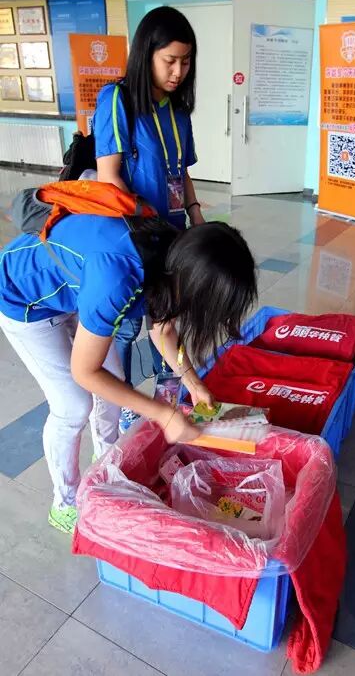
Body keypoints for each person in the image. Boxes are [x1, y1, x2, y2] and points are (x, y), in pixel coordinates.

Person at [0, 215, 257, 533]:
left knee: (113, 388)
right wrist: (164, 415)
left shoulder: (177, 258)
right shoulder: (117, 278)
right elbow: (85, 372)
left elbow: (163, 330)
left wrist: (194, 382)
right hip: (25, 299)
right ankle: (64, 503)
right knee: (73, 406)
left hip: (77, 292)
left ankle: (107, 462)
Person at [92, 6, 205, 429]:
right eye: (169, 61)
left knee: (167, 319)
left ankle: (168, 398)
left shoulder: (177, 110)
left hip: (172, 235)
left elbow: (181, 172)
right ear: (146, 54)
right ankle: (126, 403)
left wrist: (195, 217)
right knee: (124, 327)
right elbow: (109, 177)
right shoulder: (118, 100)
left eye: (186, 62)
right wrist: (148, 225)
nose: (178, 72)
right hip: (132, 236)